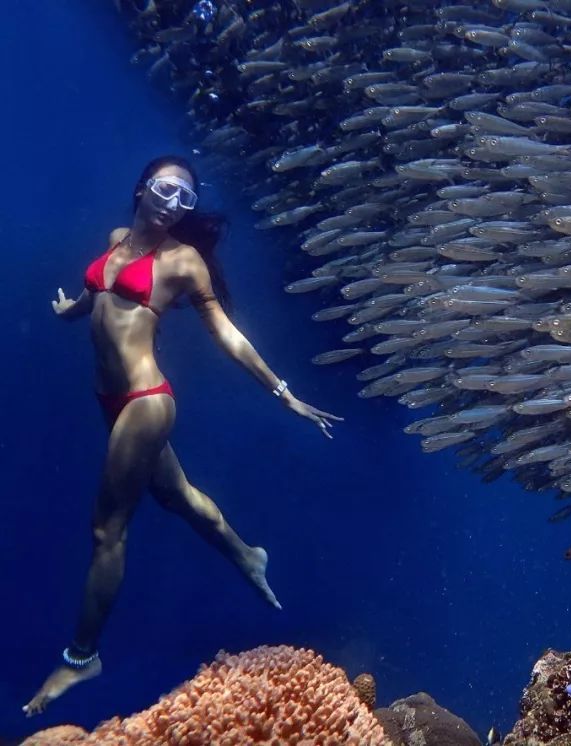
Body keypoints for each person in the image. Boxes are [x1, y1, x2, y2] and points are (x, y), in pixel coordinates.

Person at [23, 155, 342, 716]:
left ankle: (81, 656)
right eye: (168, 190)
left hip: (147, 402)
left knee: (106, 530)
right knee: (175, 496)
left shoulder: (185, 262)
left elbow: (227, 335)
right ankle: (248, 555)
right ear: (143, 188)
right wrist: (65, 310)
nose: (174, 204)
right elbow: (98, 297)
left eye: (186, 198)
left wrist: (283, 392)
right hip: (109, 398)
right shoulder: (118, 238)